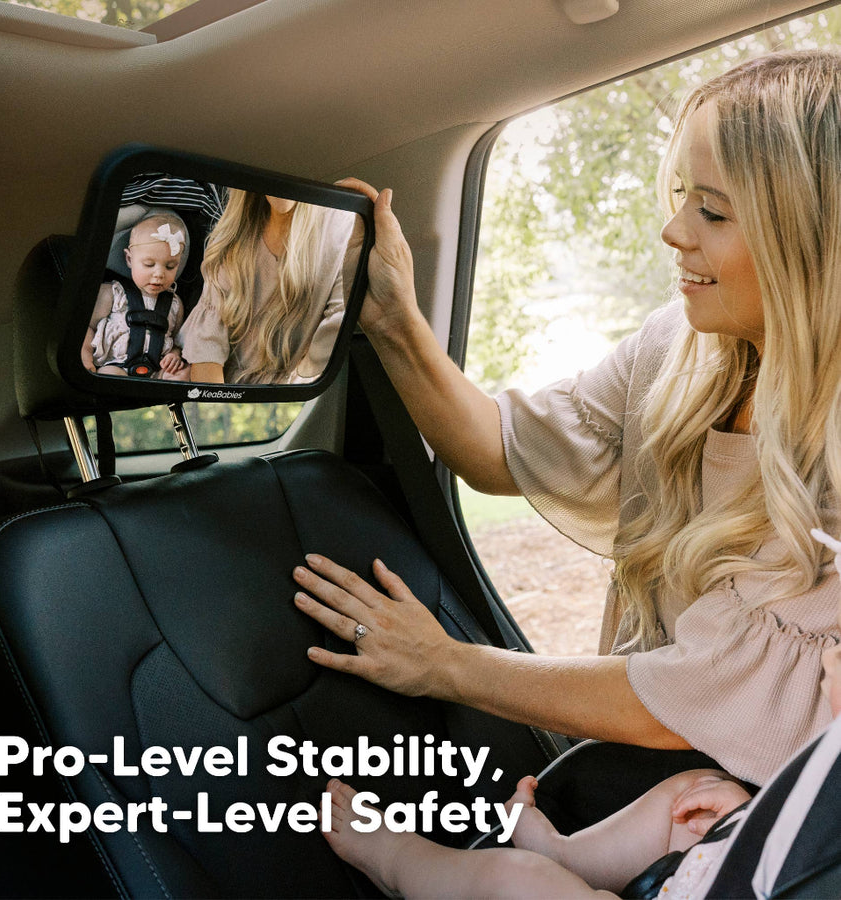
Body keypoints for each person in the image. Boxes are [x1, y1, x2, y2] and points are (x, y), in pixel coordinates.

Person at [292, 49, 841, 788]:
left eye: (712, 210)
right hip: (651, 779)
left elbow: (695, 697)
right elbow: (498, 451)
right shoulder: (673, 348)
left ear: (809, 238)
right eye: (681, 196)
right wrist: (393, 319)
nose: (673, 231)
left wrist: (444, 664)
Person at [320, 528, 841, 899]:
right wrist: (744, 821)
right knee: (698, 791)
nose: (829, 650)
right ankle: (567, 855)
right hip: (735, 865)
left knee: (518, 878)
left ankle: (397, 865)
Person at [179, 190, 361, 384]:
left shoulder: (343, 229)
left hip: (290, 401)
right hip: (226, 398)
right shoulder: (237, 231)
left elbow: (324, 354)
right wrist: (218, 406)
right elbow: (208, 349)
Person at [83, 211, 190, 380]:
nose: (159, 273)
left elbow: (177, 341)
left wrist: (175, 355)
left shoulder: (175, 303)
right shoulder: (112, 293)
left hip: (158, 369)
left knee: (183, 374)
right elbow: (87, 327)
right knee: (110, 377)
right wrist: (86, 356)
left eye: (170, 267)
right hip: (117, 366)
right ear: (129, 259)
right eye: (149, 264)